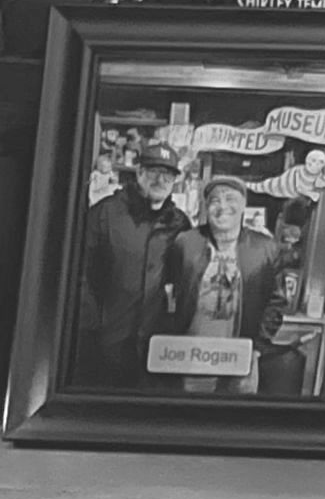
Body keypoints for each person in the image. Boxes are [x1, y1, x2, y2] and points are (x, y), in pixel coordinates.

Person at [73, 135, 191, 386]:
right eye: (153, 172)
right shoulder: (105, 213)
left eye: (168, 175)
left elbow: (182, 279)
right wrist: (92, 329)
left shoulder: (179, 223)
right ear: (139, 173)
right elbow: (79, 275)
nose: (160, 181)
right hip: (105, 346)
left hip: (154, 349)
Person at [159, 172, 282, 394]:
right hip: (192, 356)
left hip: (241, 358)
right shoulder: (186, 242)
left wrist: (258, 347)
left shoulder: (265, 247)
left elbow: (276, 301)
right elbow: (166, 291)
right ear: (206, 207)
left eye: (230, 199)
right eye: (215, 200)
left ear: (244, 205)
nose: (222, 206)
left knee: (234, 422)